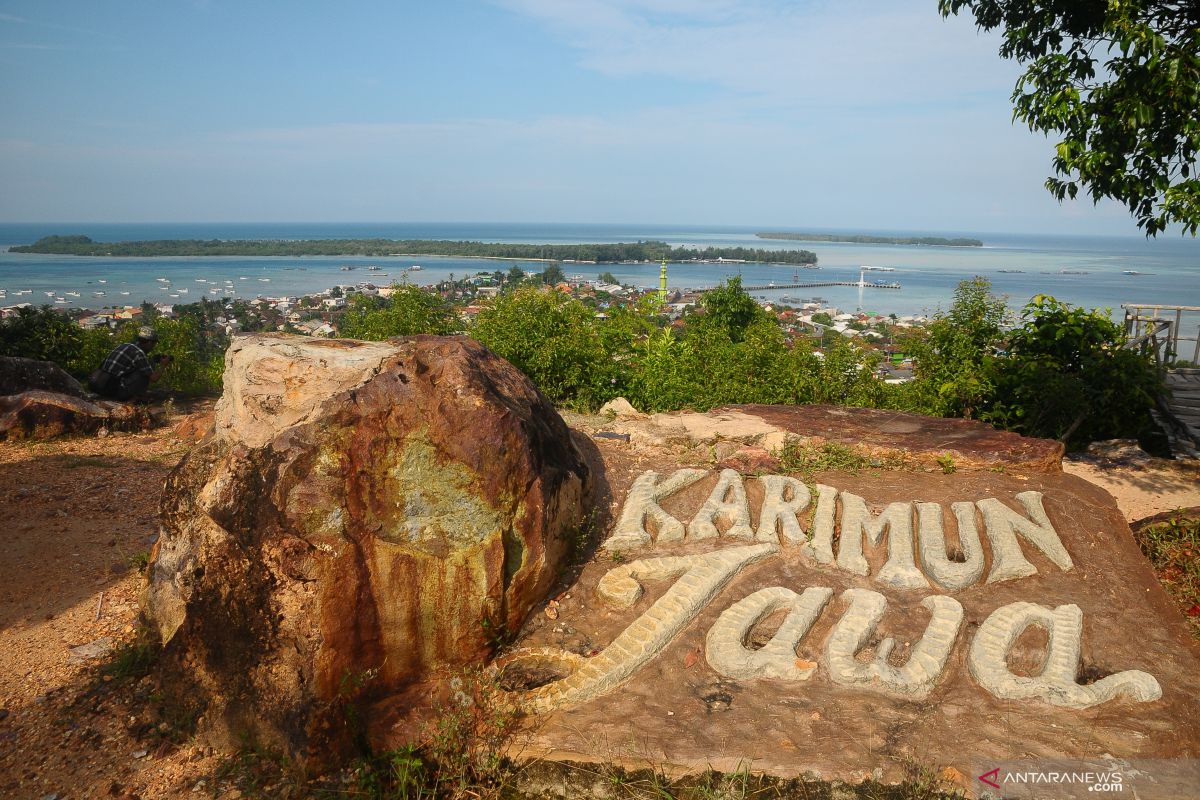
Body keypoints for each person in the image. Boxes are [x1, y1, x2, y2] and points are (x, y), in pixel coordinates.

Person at [89, 326, 170, 401]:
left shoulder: (125, 345)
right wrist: (163, 365)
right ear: (149, 342)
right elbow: (154, 379)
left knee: (145, 366)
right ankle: (136, 397)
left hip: (96, 385)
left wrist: (151, 360)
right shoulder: (139, 353)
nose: (153, 347)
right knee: (144, 373)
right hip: (110, 390)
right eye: (154, 344)